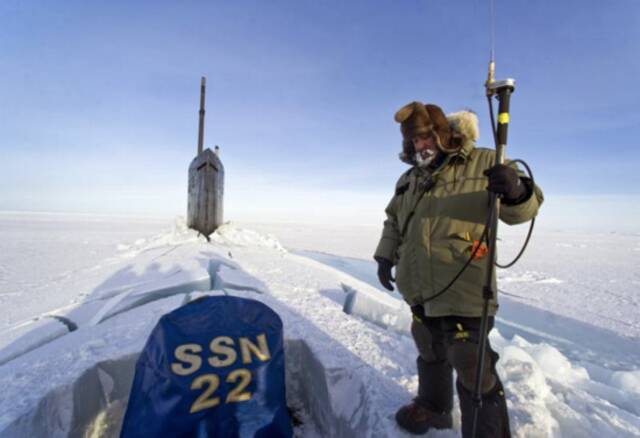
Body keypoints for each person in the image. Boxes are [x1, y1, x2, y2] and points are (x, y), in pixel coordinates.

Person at [374, 102, 543, 437]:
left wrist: (515, 190)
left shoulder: (483, 162)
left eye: (425, 137)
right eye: (414, 141)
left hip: (465, 285)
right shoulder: (408, 179)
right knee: (428, 346)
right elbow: (394, 221)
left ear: (443, 133)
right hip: (419, 284)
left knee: (470, 362)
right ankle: (434, 409)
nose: (420, 146)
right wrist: (384, 256)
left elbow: (524, 208)